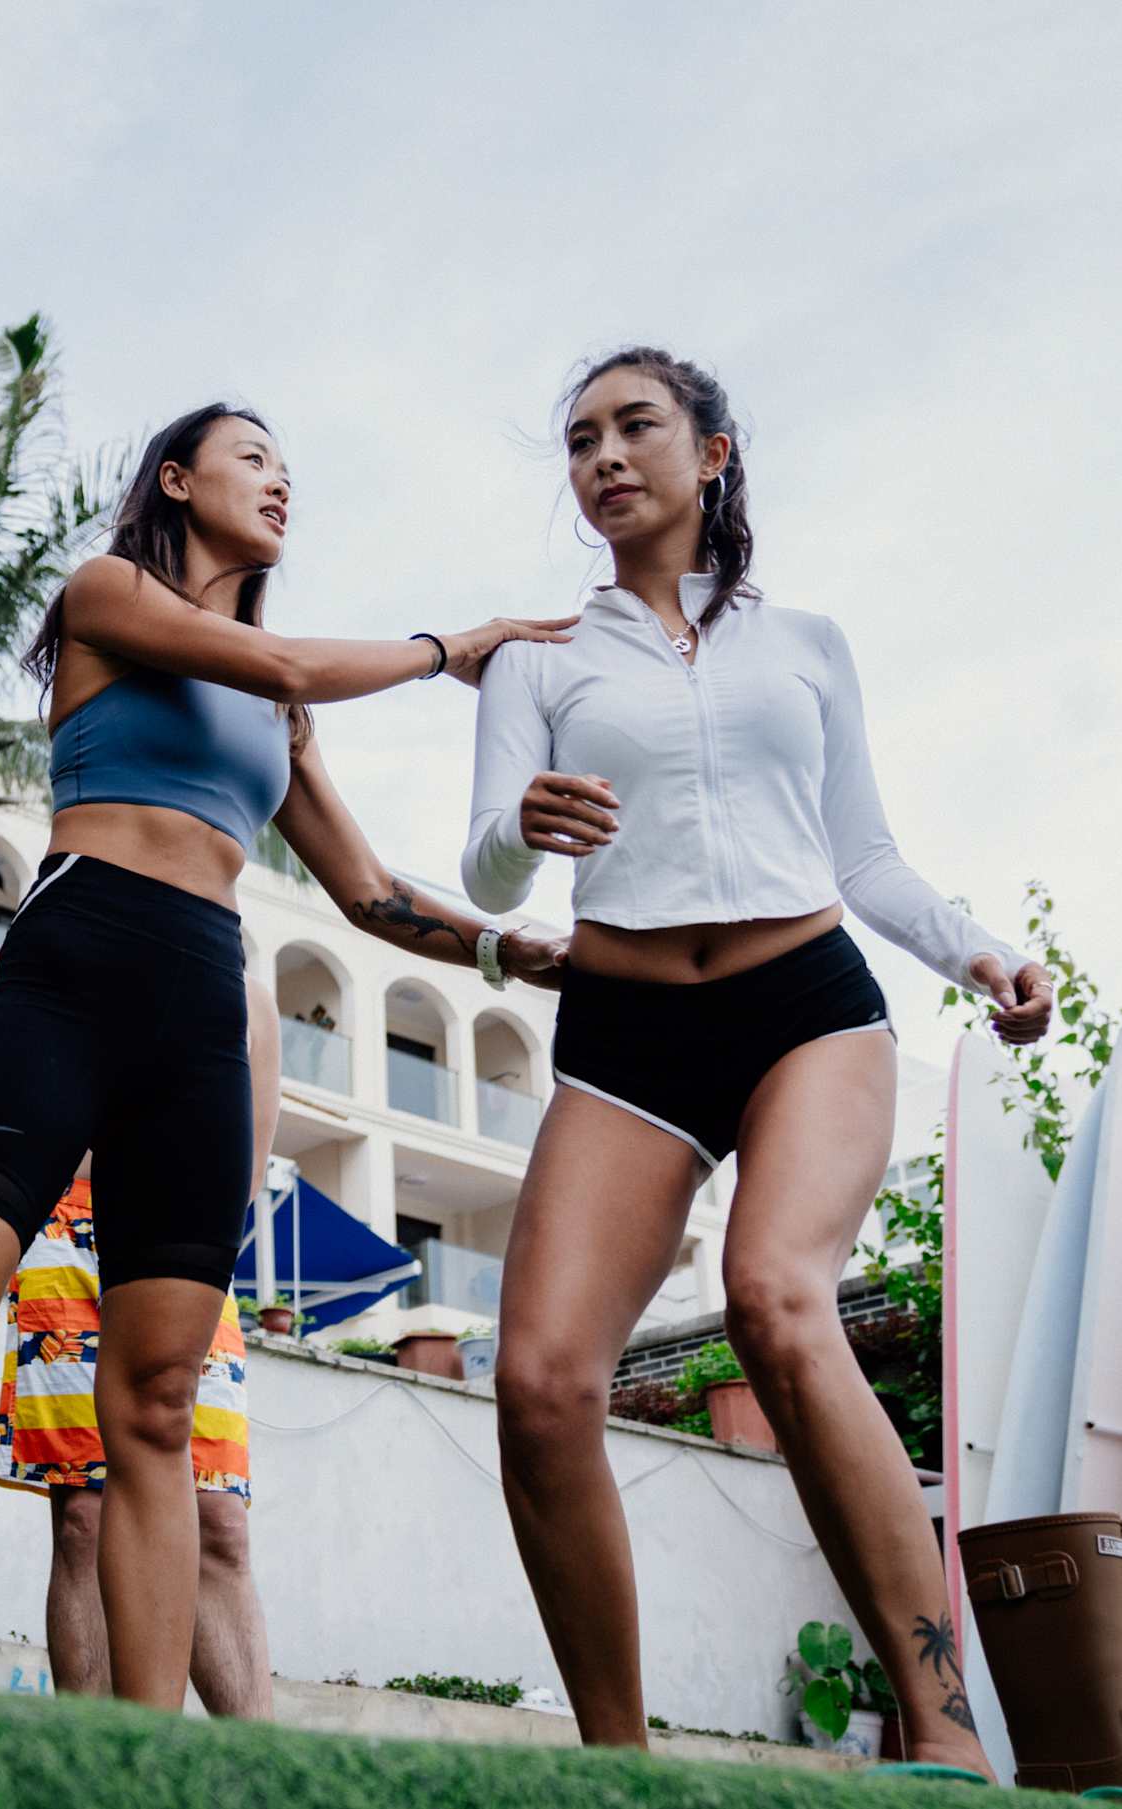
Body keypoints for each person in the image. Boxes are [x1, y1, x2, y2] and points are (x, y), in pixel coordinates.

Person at [0, 401, 569, 1711]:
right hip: (70, 970)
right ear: (178, 481)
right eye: (254, 459)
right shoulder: (111, 595)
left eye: (289, 469)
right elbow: (288, 660)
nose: (281, 483)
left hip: (198, 1006)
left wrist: (504, 951)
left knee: (155, 1406)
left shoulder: (277, 710)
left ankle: (146, 1760)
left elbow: (365, 893)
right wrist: (447, 649)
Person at [461, 347, 1052, 1765]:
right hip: (626, 1035)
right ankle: (620, 1768)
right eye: (580, 440)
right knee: (539, 1383)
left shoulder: (807, 645)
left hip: (804, 1006)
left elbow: (863, 855)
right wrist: (520, 830)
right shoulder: (538, 658)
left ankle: (946, 1738)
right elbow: (484, 868)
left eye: (635, 427)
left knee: (778, 1300)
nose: (604, 457)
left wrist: (975, 951)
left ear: (710, 453)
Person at [0, 975, 282, 1706]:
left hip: (187, 1237)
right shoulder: (79, 937)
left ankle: (258, 1763)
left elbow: (247, 1167)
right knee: (85, 1512)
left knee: (219, 1518)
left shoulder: (249, 991)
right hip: (68, 1219)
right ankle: (98, 1758)